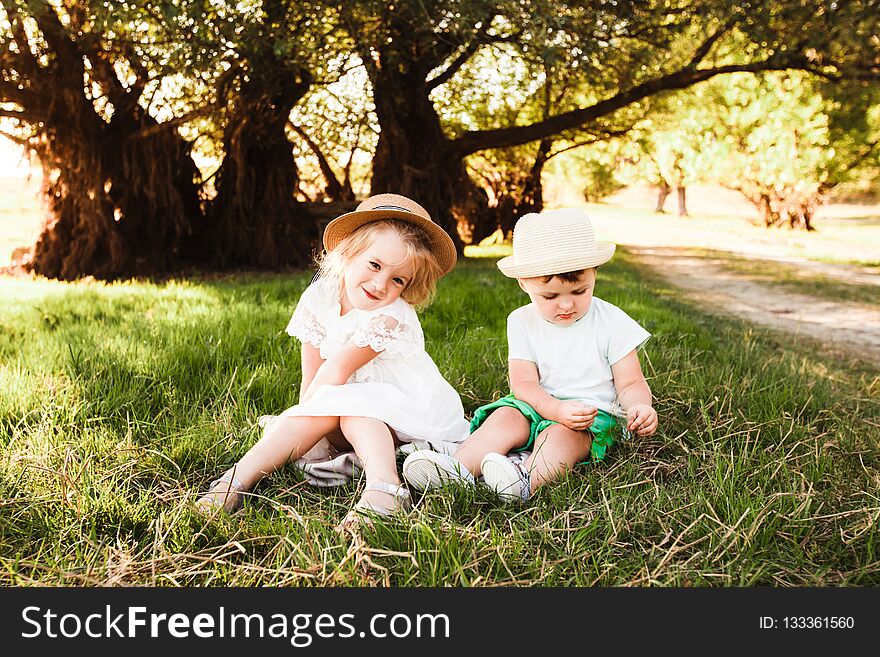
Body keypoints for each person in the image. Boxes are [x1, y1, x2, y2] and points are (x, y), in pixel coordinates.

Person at [197, 193, 470, 524]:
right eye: (374, 265)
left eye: (398, 280)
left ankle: (385, 487)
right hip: (337, 399)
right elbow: (312, 373)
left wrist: (307, 419)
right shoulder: (320, 295)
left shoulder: (392, 316)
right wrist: (303, 425)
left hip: (405, 412)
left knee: (355, 411)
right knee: (321, 416)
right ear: (349, 253)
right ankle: (234, 481)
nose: (381, 284)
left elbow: (338, 369)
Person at [402, 208, 658, 502]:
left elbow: (630, 382)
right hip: (536, 403)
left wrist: (640, 407)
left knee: (560, 436)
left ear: (594, 275)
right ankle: (459, 467)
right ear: (523, 283)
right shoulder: (522, 321)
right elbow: (523, 384)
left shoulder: (611, 321)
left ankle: (525, 479)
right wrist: (552, 408)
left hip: (590, 415)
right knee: (505, 417)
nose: (566, 305)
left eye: (579, 291)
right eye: (550, 296)